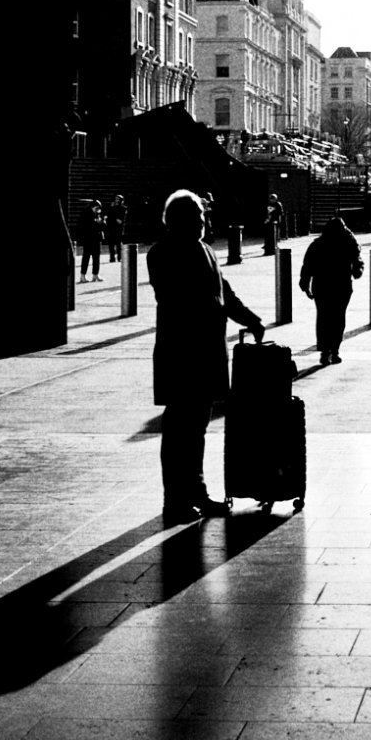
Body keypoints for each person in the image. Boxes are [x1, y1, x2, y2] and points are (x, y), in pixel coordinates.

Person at [146, 189, 264, 522]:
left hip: (208, 354)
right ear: (180, 220)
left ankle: (196, 492)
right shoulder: (162, 253)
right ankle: (175, 500)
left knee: (195, 430)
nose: (204, 222)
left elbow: (224, 294)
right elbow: (179, 297)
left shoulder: (207, 251)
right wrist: (216, 311)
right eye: (198, 217)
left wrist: (250, 319)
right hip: (181, 354)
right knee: (179, 432)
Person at [299, 214, 364, 365]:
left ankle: (325, 351)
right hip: (342, 285)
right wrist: (357, 271)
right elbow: (358, 260)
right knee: (338, 318)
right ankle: (334, 350)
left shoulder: (318, 243)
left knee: (323, 317)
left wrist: (305, 285)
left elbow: (307, 265)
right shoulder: (349, 241)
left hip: (322, 285)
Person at [75, 198, 104, 282]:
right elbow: (84, 226)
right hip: (88, 238)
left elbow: (103, 225)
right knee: (86, 257)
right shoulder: (85, 214)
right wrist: (96, 223)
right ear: (93, 207)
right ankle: (82, 275)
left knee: (96, 257)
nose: (98, 210)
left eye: (99, 208)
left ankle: (95, 275)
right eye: (97, 208)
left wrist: (101, 222)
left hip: (97, 238)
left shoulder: (97, 214)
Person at [105, 194, 127, 265]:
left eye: (118, 199)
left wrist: (113, 214)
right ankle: (112, 257)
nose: (117, 200)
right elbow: (108, 216)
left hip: (118, 228)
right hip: (111, 226)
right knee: (111, 243)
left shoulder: (123, 208)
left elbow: (120, 219)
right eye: (116, 199)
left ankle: (119, 257)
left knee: (118, 243)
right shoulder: (111, 207)